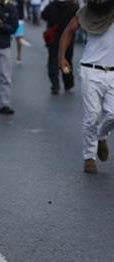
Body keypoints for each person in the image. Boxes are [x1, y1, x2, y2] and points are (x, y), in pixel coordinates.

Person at [58, 0, 114, 173]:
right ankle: (89, 157)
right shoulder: (86, 13)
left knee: (112, 113)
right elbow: (68, 31)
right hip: (91, 70)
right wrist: (61, 57)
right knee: (92, 115)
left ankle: (101, 135)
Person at [41, 0, 78, 95]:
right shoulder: (73, 7)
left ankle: (55, 85)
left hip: (54, 37)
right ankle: (68, 83)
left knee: (53, 61)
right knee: (67, 60)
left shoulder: (51, 6)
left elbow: (44, 15)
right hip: (68, 39)